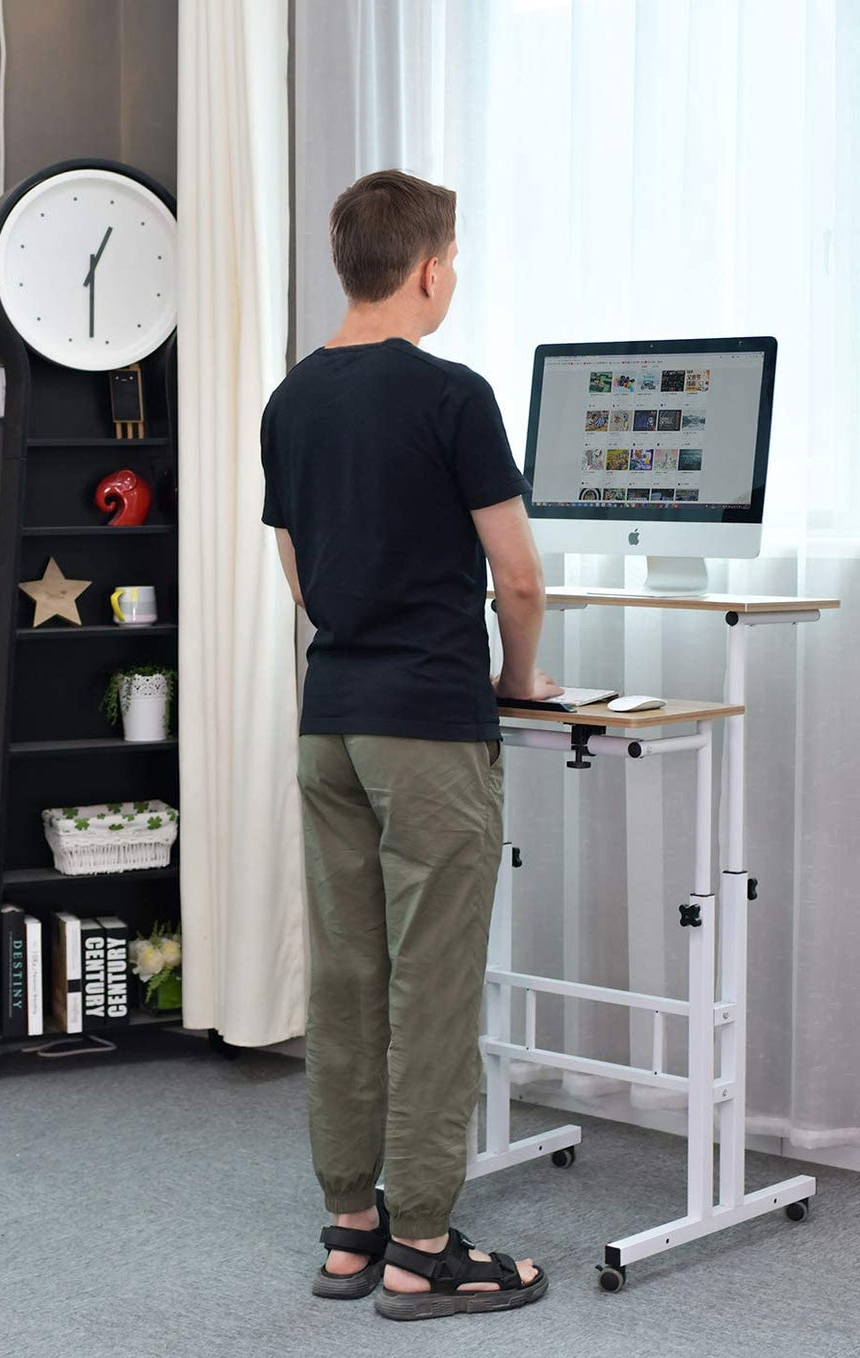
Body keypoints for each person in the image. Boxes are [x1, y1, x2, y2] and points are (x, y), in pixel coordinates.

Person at [259, 169, 562, 1322]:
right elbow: (518, 575)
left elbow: (300, 572)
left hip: (327, 719)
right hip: (428, 722)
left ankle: (350, 1229)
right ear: (429, 267)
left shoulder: (290, 401)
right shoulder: (453, 394)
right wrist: (518, 680)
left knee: (344, 977)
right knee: (431, 986)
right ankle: (424, 1243)